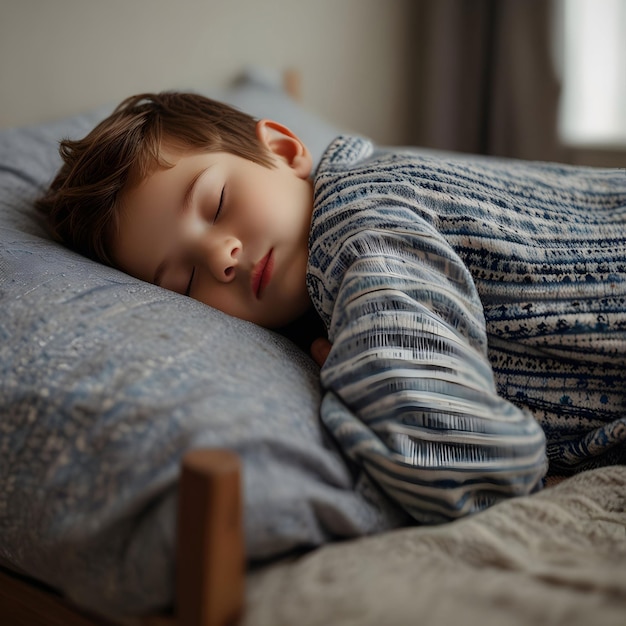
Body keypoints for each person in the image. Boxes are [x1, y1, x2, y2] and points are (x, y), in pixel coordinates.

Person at [37, 92, 626, 524]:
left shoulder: (356, 222)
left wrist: (353, 377)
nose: (222, 256)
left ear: (284, 148)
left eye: (216, 202)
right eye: (184, 278)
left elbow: (457, 459)